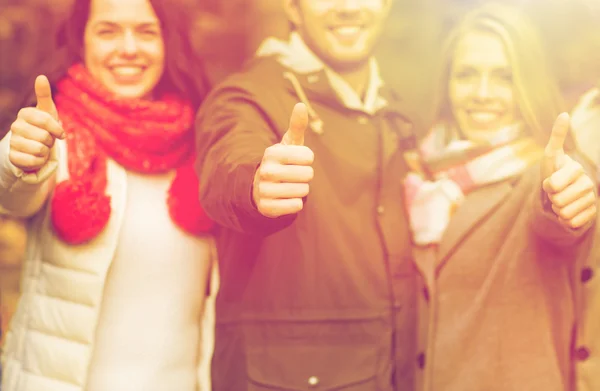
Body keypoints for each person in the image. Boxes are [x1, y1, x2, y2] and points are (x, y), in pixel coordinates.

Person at [195, 0, 423, 390]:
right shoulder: (246, 96)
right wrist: (255, 184)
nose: (349, 7)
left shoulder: (395, 112)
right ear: (292, 8)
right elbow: (229, 157)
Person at [0, 0, 216, 390]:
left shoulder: (202, 143)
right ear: (81, 43)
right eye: (108, 31)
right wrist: (18, 157)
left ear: (168, 42)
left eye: (146, 31)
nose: (129, 48)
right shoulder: (53, 135)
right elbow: (13, 193)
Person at [405, 3, 597, 391]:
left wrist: (564, 198)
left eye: (504, 77)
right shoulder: (423, 175)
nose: (482, 93)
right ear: (447, 83)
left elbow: (559, 217)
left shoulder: (544, 175)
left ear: (528, 83)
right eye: (466, 75)